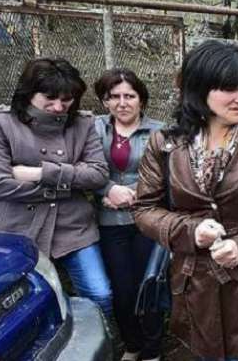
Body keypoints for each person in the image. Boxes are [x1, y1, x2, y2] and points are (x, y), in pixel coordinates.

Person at [133, 41, 238, 361]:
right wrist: (189, 231)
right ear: (199, 88)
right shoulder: (166, 143)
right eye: (230, 89)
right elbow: (144, 209)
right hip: (196, 282)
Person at [0, 58, 112, 317]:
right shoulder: (0, 123)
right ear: (28, 93)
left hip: (73, 228)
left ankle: (100, 338)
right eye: (49, 98)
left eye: (66, 100)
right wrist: (70, 182)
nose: (58, 107)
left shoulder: (82, 124)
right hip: (17, 228)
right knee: (24, 308)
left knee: (100, 293)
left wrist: (38, 173)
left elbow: (98, 175)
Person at [93, 68, 165, 361]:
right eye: (115, 96)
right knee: (121, 290)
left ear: (141, 100)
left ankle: (152, 350)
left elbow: (166, 175)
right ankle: (132, 345)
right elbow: (85, 167)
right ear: (105, 101)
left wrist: (131, 194)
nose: (122, 103)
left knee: (148, 285)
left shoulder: (159, 131)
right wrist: (107, 190)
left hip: (147, 220)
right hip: (110, 222)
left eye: (130, 96)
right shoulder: (94, 128)